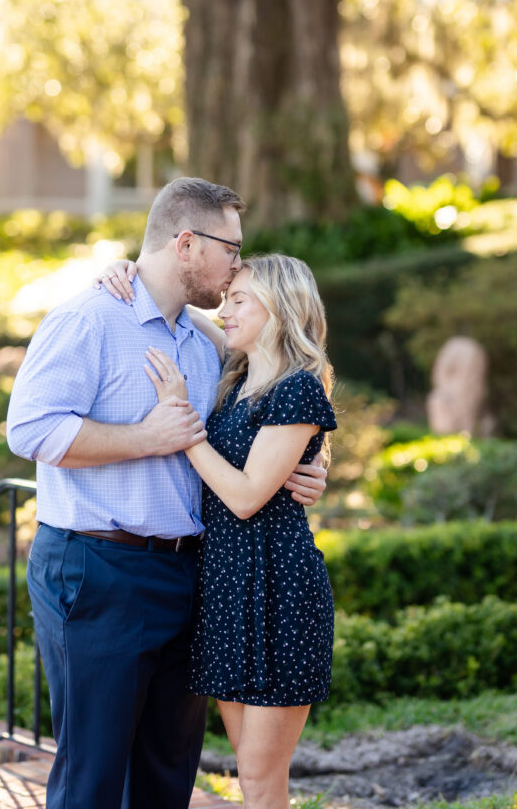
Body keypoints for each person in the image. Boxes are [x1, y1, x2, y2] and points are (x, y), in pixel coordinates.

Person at [6, 178, 327, 809]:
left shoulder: (207, 342)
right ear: (187, 244)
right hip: (99, 569)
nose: (239, 261)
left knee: (166, 774)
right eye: (231, 248)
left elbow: (279, 399)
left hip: (192, 575)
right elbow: (30, 427)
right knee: (92, 775)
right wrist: (146, 436)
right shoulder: (90, 317)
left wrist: (310, 466)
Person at [107, 254, 336, 809]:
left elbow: (244, 495)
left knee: (260, 780)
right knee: (250, 775)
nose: (225, 310)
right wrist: (130, 268)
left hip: (277, 592)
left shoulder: (297, 388)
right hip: (230, 591)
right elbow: (182, 306)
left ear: (280, 309)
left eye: (240, 300)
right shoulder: (236, 381)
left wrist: (182, 424)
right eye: (227, 298)